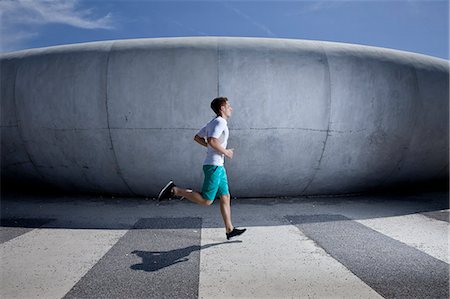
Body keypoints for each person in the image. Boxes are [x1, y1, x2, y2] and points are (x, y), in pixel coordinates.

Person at [157, 97, 246, 240]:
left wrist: (215, 149)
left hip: (218, 166)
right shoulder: (220, 122)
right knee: (206, 200)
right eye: (228, 106)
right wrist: (226, 151)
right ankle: (175, 190)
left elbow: (198, 137)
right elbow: (211, 140)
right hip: (214, 166)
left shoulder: (212, 122)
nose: (231, 108)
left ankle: (230, 230)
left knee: (225, 196)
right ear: (222, 108)